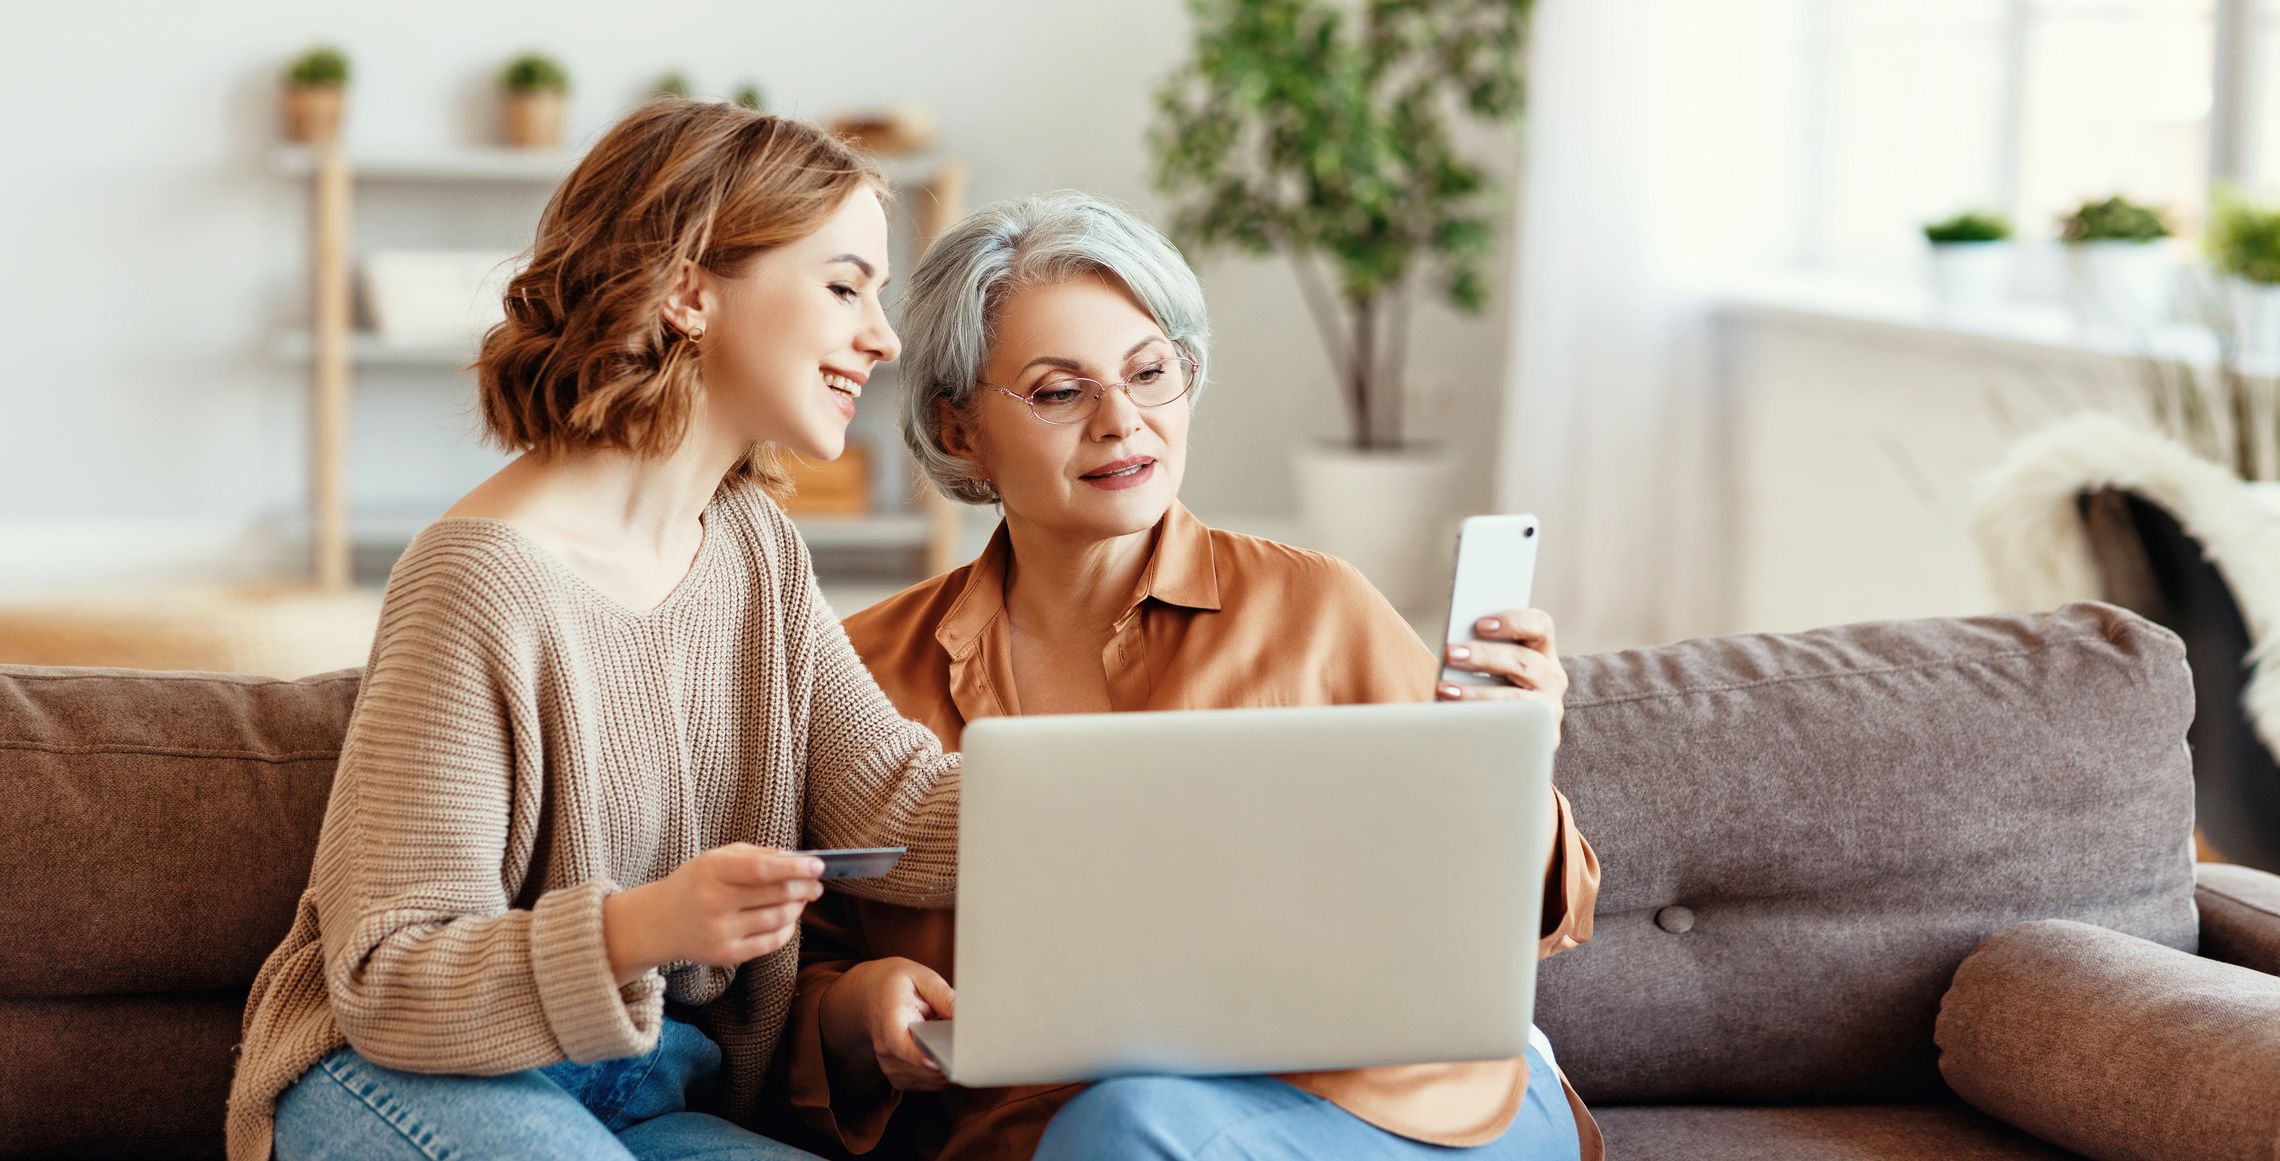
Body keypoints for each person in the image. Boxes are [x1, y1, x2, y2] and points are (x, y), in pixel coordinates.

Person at [780, 191, 1602, 1160]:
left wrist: (1509, 758)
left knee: (1128, 1124)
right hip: (1048, 1133)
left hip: (1394, 1110)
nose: (1121, 421)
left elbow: (1540, 915)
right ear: (960, 432)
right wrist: (853, 1012)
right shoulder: (858, 668)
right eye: (1058, 391)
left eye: (1150, 372)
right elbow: (787, 973)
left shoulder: (1318, 609)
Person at [225, 102, 962, 1161]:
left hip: (657, 1093)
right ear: (689, 289)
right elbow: (386, 982)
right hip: (399, 1074)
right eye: (845, 285)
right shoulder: (475, 580)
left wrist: (1158, 788)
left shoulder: (758, 552)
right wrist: (646, 928)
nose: (882, 337)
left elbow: (902, 803)